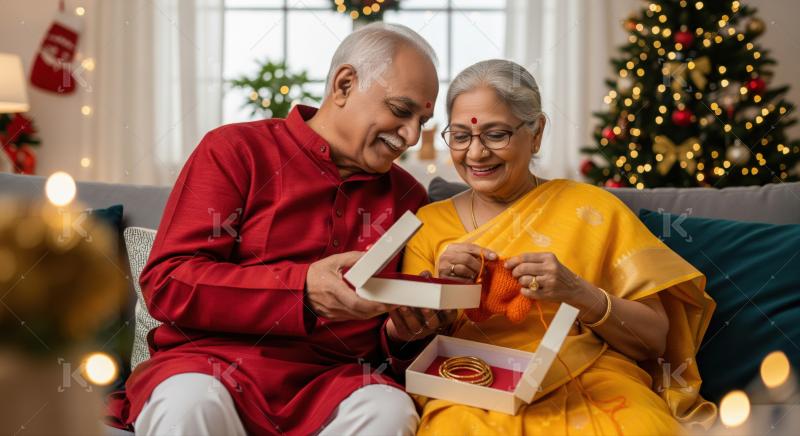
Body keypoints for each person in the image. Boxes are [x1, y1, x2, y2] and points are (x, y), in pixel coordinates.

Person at [106, 23, 455, 435]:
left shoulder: (407, 196)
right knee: (189, 404)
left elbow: (390, 342)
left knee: (390, 411)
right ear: (344, 85)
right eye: (401, 110)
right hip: (207, 366)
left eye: (422, 120)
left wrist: (401, 333)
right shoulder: (235, 150)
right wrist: (303, 289)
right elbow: (168, 284)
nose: (412, 136)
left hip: (335, 380)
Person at [402, 59, 718, 435]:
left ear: (536, 133)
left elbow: (654, 340)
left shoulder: (594, 209)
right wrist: (445, 290)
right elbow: (407, 340)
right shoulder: (429, 225)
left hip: (594, 380)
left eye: (496, 134)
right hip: (474, 388)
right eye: (460, 136)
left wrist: (579, 292)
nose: (476, 153)